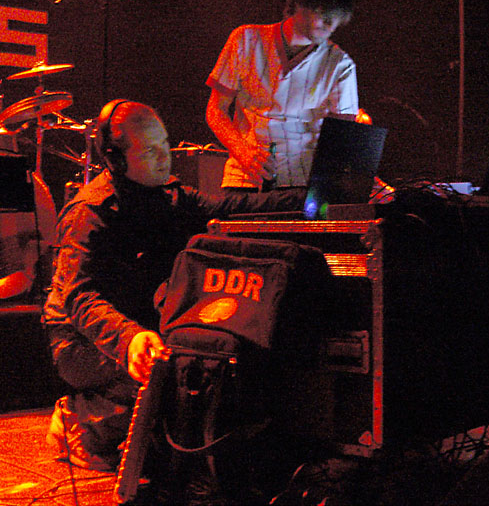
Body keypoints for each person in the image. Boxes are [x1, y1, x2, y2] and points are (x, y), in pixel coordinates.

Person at [42, 99, 305, 472]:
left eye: (165, 145)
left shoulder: (169, 196)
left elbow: (232, 208)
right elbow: (79, 298)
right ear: (116, 160)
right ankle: (78, 420)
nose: (165, 158)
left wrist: (313, 200)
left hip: (135, 325)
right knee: (163, 379)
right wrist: (129, 338)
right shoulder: (90, 212)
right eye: (150, 151)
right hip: (79, 340)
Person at [206, 0, 359, 192]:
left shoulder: (341, 64)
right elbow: (215, 110)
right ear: (299, 3)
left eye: (335, 20)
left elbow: (342, 138)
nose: (331, 25)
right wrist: (244, 152)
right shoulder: (245, 39)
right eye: (324, 15)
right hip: (244, 179)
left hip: (303, 186)